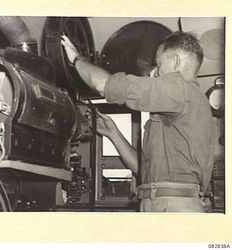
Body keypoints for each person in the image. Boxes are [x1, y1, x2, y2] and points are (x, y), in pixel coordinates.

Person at [61, 31, 215, 212]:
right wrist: (113, 133)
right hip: (163, 201)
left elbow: (104, 85)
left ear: (175, 61)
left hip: (172, 204)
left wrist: (77, 59)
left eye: (158, 64)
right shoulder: (186, 102)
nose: (155, 72)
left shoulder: (180, 89)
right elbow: (144, 170)